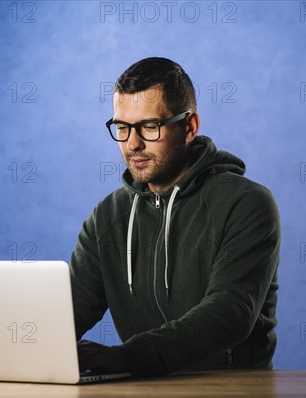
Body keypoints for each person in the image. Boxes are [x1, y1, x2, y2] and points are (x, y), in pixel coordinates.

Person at [71, 57, 281, 377]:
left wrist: (128, 358)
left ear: (189, 127)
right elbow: (67, 312)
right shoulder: (107, 218)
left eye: (149, 126)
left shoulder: (246, 203)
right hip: (142, 389)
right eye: (123, 127)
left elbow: (229, 313)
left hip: (231, 390)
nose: (133, 143)